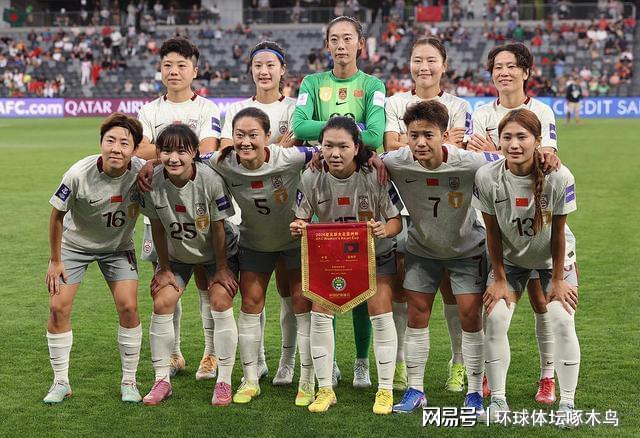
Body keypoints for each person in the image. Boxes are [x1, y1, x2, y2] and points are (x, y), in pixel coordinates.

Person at [469, 42, 572, 403]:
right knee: (494, 305)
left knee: (543, 305)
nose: (504, 72)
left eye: (512, 66)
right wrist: (497, 154)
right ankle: (491, 376)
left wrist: (494, 150)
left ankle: (548, 376)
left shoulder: (541, 110)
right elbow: (477, 162)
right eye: (498, 66)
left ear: (526, 72)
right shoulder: (481, 111)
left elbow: (544, 158)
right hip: (499, 218)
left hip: (536, 218)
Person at [292, 15, 387, 388]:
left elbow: (376, 135)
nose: (341, 45)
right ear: (327, 44)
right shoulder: (312, 83)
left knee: (362, 286)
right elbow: (299, 126)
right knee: (323, 285)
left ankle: (362, 362)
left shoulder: (372, 85)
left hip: (359, 184)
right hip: (324, 184)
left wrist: (331, 132)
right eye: (334, 39)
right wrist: (345, 133)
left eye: (348, 38)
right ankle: (328, 363)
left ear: (360, 44)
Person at [381, 100, 491, 414]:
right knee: (417, 316)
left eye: (428, 135)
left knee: (470, 317)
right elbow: (367, 161)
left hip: (467, 250)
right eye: (413, 135)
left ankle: (474, 392)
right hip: (422, 250)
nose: (420, 142)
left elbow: (508, 160)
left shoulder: (469, 162)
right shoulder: (396, 161)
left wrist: (543, 155)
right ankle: (416, 389)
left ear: (444, 135)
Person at [201, 107, 317, 406]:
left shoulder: (289, 157)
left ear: (268, 136)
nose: (245, 142)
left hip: (295, 241)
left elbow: (329, 150)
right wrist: (148, 167)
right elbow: (189, 159)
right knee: (251, 305)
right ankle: (250, 379)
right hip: (254, 243)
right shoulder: (222, 161)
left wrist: (371, 157)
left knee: (302, 305)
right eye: (239, 135)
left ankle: (307, 381)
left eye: (253, 135)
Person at [472, 109, 581, 427]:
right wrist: (498, 279)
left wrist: (558, 280)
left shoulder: (559, 176)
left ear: (537, 140)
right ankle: (498, 401)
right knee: (494, 319)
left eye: (522, 137)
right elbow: (492, 232)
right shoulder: (487, 176)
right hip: (510, 261)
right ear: (498, 141)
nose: (514, 144)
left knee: (562, 320)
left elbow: (558, 233)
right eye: (507, 137)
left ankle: (568, 404)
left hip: (553, 261)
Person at [290, 116, 402, 414]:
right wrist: (298, 226)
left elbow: (396, 221)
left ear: (356, 147)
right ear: (320, 147)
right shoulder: (311, 176)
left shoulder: (374, 175)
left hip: (375, 258)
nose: (335, 153)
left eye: (343, 146)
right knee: (320, 312)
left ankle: (385, 390)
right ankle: (325, 389)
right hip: (333, 261)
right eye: (328, 146)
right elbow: (301, 217)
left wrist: (384, 229)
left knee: (381, 311)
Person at [383, 37, 474, 393]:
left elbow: (457, 150)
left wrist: (414, 143)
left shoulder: (459, 105)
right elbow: (390, 146)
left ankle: (458, 362)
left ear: (444, 65)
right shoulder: (395, 102)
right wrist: (435, 142)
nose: (424, 66)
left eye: (431, 60)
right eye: (417, 59)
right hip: (406, 206)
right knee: (405, 290)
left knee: (453, 289)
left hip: (448, 206)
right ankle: (402, 363)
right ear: (408, 63)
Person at [136, 37, 223, 382]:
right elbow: (139, 150)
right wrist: (176, 153)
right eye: (168, 65)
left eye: (181, 65)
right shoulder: (149, 111)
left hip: (199, 208)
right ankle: (173, 353)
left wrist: (159, 155)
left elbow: (207, 149)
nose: (174, 71)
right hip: (161, 209)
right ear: (160, 69)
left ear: (195, 71)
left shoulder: (207, 108)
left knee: (205, 280)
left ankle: (211, 353)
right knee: (165, 278)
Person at [44, 113, 145, 404]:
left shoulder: (142, 172)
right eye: (110, 141)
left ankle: (129, 381)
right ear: (101, 143)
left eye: (124, 143)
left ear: (134, 149)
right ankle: (61, 382)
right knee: (57, 307)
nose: (116, 148)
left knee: (129, 306)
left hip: (118, 247)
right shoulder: (78, 173)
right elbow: (56, 215)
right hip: (75, 246)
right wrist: (55, 260)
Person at [139, 124, 238, 406]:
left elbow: (218, 228)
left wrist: (222, 268)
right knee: (162, 301)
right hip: (178, 255)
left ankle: (224, 381)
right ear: (158, 153)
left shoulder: (210, 180)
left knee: (220, 300)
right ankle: (161, 380)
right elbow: (157, 227)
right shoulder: (153, 181)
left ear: (194, 152)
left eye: (181, 151)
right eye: (166, 151)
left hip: (216, 254)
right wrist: (164, 268)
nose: (174, 158)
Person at [220, 41, 298, 385]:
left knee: (292, 295)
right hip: (250, 214)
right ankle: (259, 362)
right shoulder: (236, 109)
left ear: (283, 70)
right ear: (250, 70)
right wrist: (277, 148)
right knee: (254, 296)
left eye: (270, 65)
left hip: (290, 214)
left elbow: (309, 153)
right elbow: (228, 155)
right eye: (258, 65)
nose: (264, 71)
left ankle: (290, 361)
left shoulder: (297, 108)